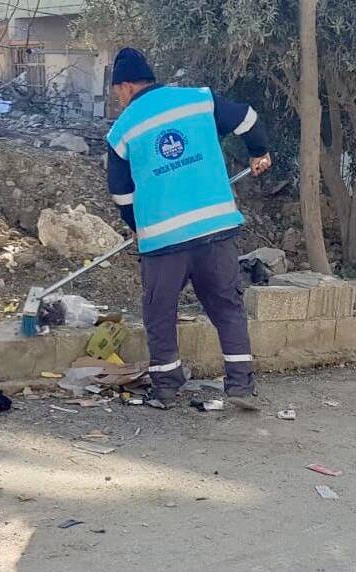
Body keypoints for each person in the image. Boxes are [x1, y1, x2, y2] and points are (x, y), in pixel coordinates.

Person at [105, 48, 272, 409]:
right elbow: (248, 118)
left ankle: (167, 385)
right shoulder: (198, 100)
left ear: (128, 85)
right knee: (227, 305)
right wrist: (258, 151)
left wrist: (137, 225)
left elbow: (120, 193)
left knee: (159, 311)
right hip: (216, 229)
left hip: (163, 243)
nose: (118, 99)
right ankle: (241, 386)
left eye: (117, 90)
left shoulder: (122, 131)